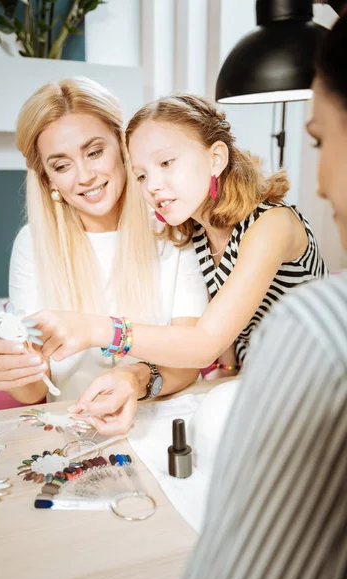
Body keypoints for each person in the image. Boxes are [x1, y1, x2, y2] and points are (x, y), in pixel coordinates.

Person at [175, 11, 347, 579]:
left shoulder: (316, 318)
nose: (318, 182)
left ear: (216, 160)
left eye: (319, 141)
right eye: (143, 173)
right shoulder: (193, 238)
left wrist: (103, 331)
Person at [29, 92, 327, 430]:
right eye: (141, 175)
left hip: (319, 387)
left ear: (216, 158)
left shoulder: (271, 225)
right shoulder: (194, 229)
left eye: (167, 163)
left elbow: (204, 344)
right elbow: (226, 323)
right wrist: (228, 371)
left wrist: (96, 329)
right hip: (261, 383)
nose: (153, 186)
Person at [0, 77, 208, 429]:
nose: (84, 177)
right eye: (61, 165)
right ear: (48, 178)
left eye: (94, 152)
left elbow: (190, 358)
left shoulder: (172, 224)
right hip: (77, 430)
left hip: (170, 423)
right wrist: (13, 371)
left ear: (122, 146)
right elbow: (35, 386)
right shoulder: (32, 245)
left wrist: (134, 378)